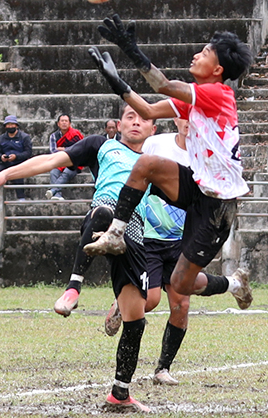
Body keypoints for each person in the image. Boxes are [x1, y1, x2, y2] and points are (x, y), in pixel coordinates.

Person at [0, 104, 157, 412]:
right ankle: (73, 287)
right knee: (102, 212)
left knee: (137, 319)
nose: (136, 122)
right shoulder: (101, 145)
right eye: (130, 116)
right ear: (119, 122)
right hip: (103, 218)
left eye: (143, 118)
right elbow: (51, 160)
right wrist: (5, 174)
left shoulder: (156, 163)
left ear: (154, 129)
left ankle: (120, 393)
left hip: (135, 232)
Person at [85, 15, 254, 310]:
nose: (196, 55)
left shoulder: (217, 93)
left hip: (218, 206)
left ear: (217, 69)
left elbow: (162, 84)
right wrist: (118, 84)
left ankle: (235, 284)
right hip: (198, 185)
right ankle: (115, 234)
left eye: (204, 53)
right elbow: (148, 110)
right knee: (146, 164)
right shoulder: (196, 97)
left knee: (181, 284)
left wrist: (131, 50)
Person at [103, 117, 251, 387]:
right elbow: (132, 171)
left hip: (182, 239)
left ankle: (163, 368)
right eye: (184, 117)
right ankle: (120, 305)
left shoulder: (207, 153)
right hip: (149, 236)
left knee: (181, 303)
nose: (188, 123)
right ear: (176, 118)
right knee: (150, 299)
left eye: (194, 120)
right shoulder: (155, 144)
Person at [0, 115, 32, 200]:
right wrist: (1, 157)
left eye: (12, 124)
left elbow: (28, 152)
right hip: (5, 163)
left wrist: (16, 157)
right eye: (8, 124)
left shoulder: (24, 137)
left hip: (19, 163)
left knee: (18, 173)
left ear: (16, 125)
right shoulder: (1, 138)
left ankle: (21, 198)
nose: (10, 126)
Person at [46, 114, 84, 200]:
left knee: (66, 173)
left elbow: (79, 150)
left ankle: (53, 191)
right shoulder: (53, 136)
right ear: (58, 124)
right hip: (59, 161)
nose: (64, 123)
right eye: (62, 121)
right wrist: (68, 150)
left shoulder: (75, 134)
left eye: (66, 121)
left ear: (70, 123)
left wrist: (63, 149)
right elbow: (53, 151)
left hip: (74, 162)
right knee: (53, 172)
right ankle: (57, 195)